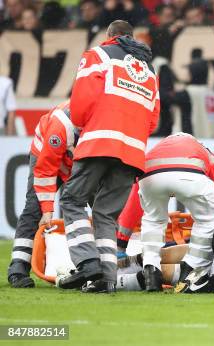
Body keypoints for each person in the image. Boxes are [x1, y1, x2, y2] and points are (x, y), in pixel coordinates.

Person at [57, 20, 160, 294]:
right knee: (106, 215)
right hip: (132, 152)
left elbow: (80, 102)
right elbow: (153, 120)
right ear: (132, 37)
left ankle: (87, 262)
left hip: (99, 141)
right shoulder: (150, 70)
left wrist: (86, 125)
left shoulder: (98, 54)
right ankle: (107, 279)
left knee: (71, 199)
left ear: (109, 36)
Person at [114, 132, 214, 292]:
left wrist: (121, 242)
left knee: (153, 220)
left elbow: (133, 205)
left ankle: (151, 271)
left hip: (151, 177)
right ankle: (192, 273)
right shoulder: (204, 152)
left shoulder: (155, 151)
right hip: (190, 176)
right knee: (207, 221)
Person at [7, 102, 76, 288]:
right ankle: (18, 268)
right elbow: (45, 171)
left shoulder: (101, 122)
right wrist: (47, 210)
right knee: (34, 208)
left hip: (74, 162)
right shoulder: (60, 126)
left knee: (99, 209)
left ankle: (96, 265)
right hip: (46, 155)